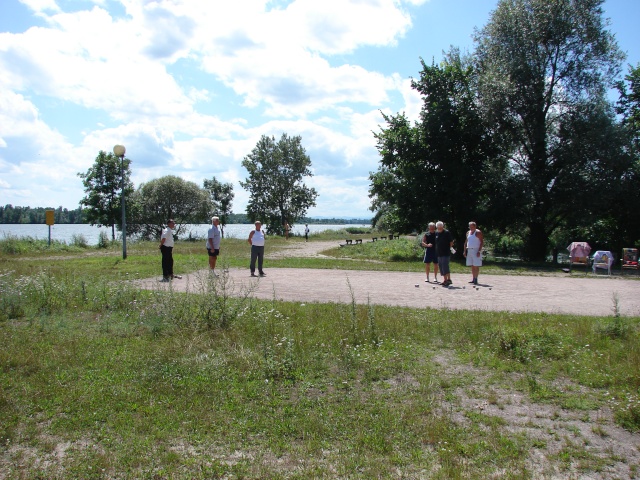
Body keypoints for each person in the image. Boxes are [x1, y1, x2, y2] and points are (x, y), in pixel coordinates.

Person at [435, 221, 454, 287]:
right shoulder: (436, 233)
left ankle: (447, 280)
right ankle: (446, 279)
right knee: (441, 266)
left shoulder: (446, 232)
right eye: (438, 227)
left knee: (445, 266)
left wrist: (450, 248)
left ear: (442, 226)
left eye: (441, 226)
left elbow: (451, 242)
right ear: (437, 227)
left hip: (446, 252)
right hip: (439, 252)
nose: (439, 228)